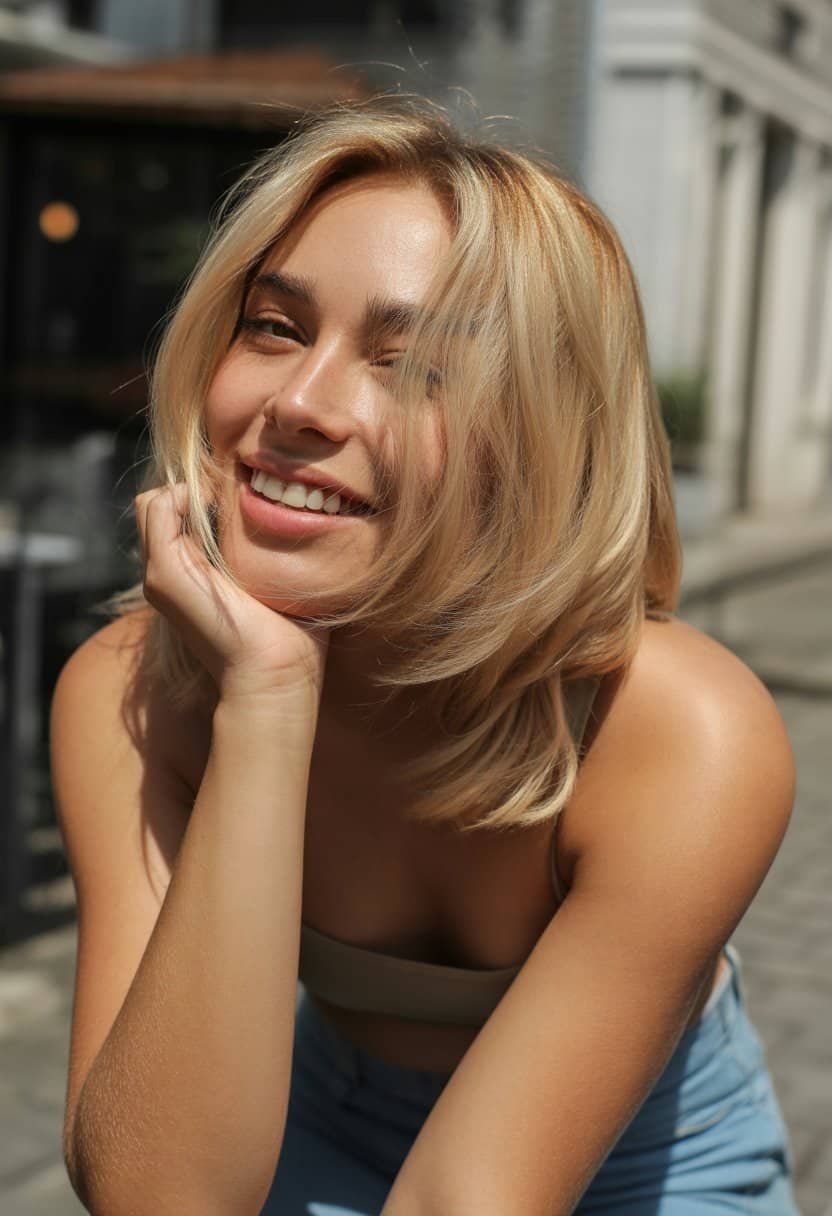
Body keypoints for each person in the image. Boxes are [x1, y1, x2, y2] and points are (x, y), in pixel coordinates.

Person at [50, 95, 800, 1215]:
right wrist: (265, 701)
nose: (301, 404)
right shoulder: (135, 690)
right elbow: (158, 1194)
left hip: (655, 1164)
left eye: (412, 365)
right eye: (276, 327)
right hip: (296, 1117)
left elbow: (474, 1196)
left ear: (537, 440)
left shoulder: (678, 727)